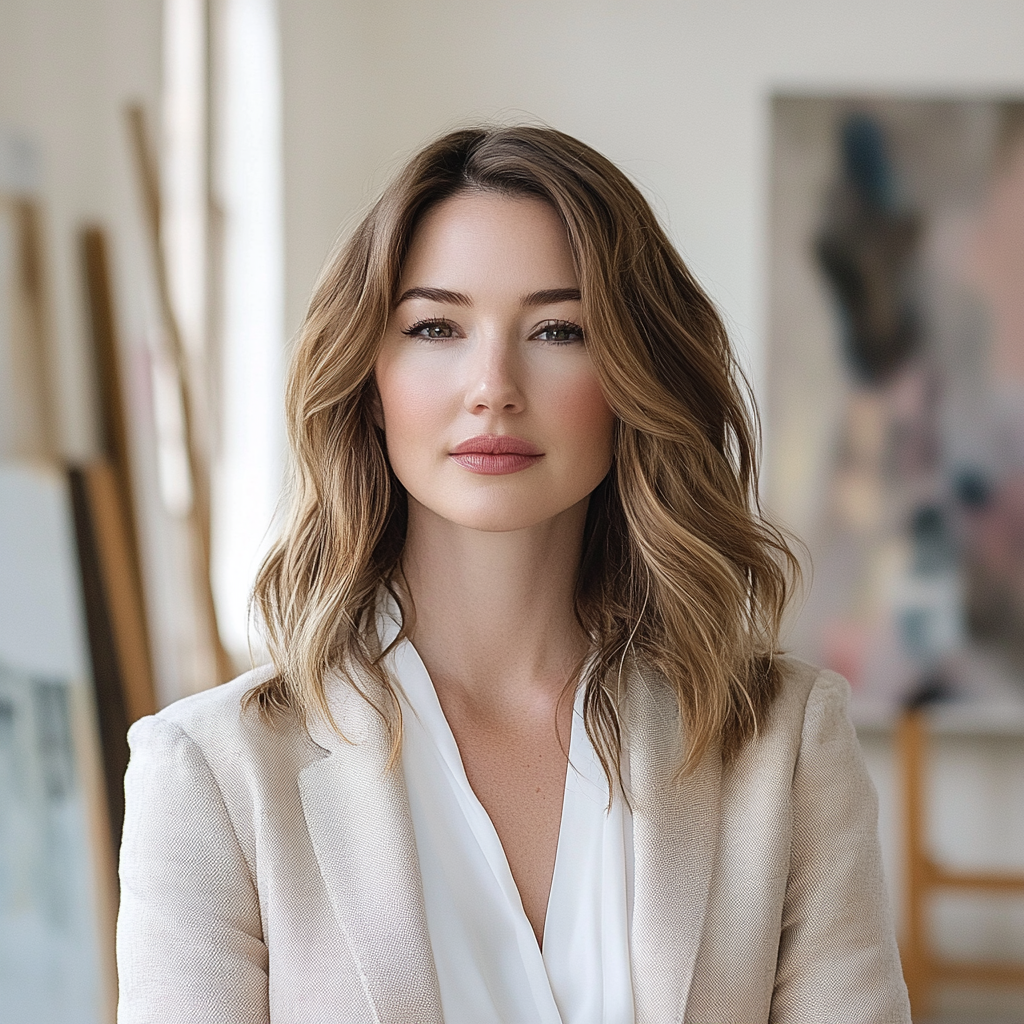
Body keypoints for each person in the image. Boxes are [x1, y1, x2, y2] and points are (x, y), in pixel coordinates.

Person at [116, 125, 911, 1024]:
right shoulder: (213, 774)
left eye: (558, 329)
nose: (492, 384)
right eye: (436, 327)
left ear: (632, 380)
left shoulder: (786, 746)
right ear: (371, 384)